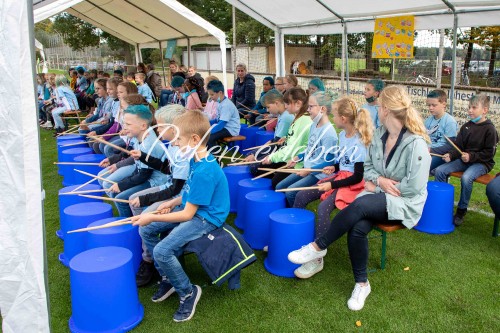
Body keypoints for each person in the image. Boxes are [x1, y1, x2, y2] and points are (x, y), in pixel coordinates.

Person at [288, 85, 431, 311]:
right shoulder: (381, 136)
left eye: (379, 107)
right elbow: (369, 168)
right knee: (357, 228)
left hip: (403, 204)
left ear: (385, 109)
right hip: (378, 196)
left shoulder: (416, 144)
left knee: (361, 203)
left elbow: (413, 188)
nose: (376, 111)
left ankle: (319, 246)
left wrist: (377, 185)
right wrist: (381, 182)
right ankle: (362, 284)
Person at [133, 110, 230, 322]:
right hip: (194, 209)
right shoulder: (196, 158)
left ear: (195, 139)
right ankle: (168, 277)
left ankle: (188, 291)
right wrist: (171, 202)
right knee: (145, 229)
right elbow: (188, 191)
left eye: (178, 138)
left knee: (162, 249)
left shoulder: (205, 170)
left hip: (206, 218)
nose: (174, 144)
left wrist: (152, 216)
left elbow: (188, 215)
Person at [292, 97, 373, 278]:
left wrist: (332, 183)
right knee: (301, 196)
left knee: (322, 209)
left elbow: (357, 176)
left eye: (335, 115)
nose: (333, 119)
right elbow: (343, 163)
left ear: (343, 119)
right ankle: (296, 239)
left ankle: (317, 257)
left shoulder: (360, 142)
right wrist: (333, 168)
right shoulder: (342, 135)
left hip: (352, 185)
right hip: (339, 177)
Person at [128, 104, 190, 287]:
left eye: (160, 126)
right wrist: (143, 156)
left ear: (174, 128)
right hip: (169, 187)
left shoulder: (182, 151)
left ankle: (151, 262)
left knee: (146, 215)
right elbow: (165, 168)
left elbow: (176, 190)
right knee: (135, 203)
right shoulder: (171, 145)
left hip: (177, 196)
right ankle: (149, 248)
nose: (157, 129)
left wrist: (147, 200)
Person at [434, 94, 498, 226]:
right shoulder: (466, 126)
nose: (470, 110)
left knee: (466, 177)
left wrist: (471, 156)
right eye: (469, 107)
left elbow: (489, 154)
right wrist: (450, 155)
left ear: (485, 110)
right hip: (464, 160)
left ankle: (461, 211)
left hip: (482, 163)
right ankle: (442, 207)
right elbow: (458, 147)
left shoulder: (490, 129)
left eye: (474, 107)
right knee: (440, 171)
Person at [98, 104, 168, 217]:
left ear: (143, 126)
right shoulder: (138, 137)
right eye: (124, 123)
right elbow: (138, 167)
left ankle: (130, 224)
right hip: (145, 176)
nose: (124, 127)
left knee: (121, 198)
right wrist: (124, 182)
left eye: (128, 124)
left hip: (156, 181)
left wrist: (122, 185)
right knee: (118, 192)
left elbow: (143, 176)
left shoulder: (149, 144)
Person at [275, 91, 338, 207]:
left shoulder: (329, 134)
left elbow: (330, 162)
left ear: (322, 109)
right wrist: (298, 157)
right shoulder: (314, 125)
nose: (308, 109)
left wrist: (309, 170)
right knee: (280, 186)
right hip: (308, 168)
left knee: (291, 192)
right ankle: (286, 214)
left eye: (311, 106)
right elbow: (310, 149)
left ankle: (296, 216)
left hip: (318, 174)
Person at [261, 87, 313, 188]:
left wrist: (272, 157)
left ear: (298, 103)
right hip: (294, 158)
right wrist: (287, 137)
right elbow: (296, 138)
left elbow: (292, 149)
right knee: (265, 169)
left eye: (288, 103)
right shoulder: (299, 117)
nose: (285, 106)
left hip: (299, 163)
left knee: (275, 183)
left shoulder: (302, 121)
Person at [424, 89, 458, 173]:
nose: (430, 108)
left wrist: (430, 150)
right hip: (426, 152)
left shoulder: (450, 122)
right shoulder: (428, 120)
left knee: (422, 167)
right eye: (429, 105)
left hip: (440, 155)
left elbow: (450, 146)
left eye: (434, 105)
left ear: (443, 104)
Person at [206, 80, 240, 148]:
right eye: (210, 95)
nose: (211, 97)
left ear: (220, 93)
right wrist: (207, 123)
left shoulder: (226, 105)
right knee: (206, 135)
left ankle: (216, 157)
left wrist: (209, 131)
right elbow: (217, 119)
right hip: (225, 127)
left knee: (209, 137)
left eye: (212, 94)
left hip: (231, 129)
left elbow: (221, 124)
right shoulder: (219, 102)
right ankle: (209, 153)